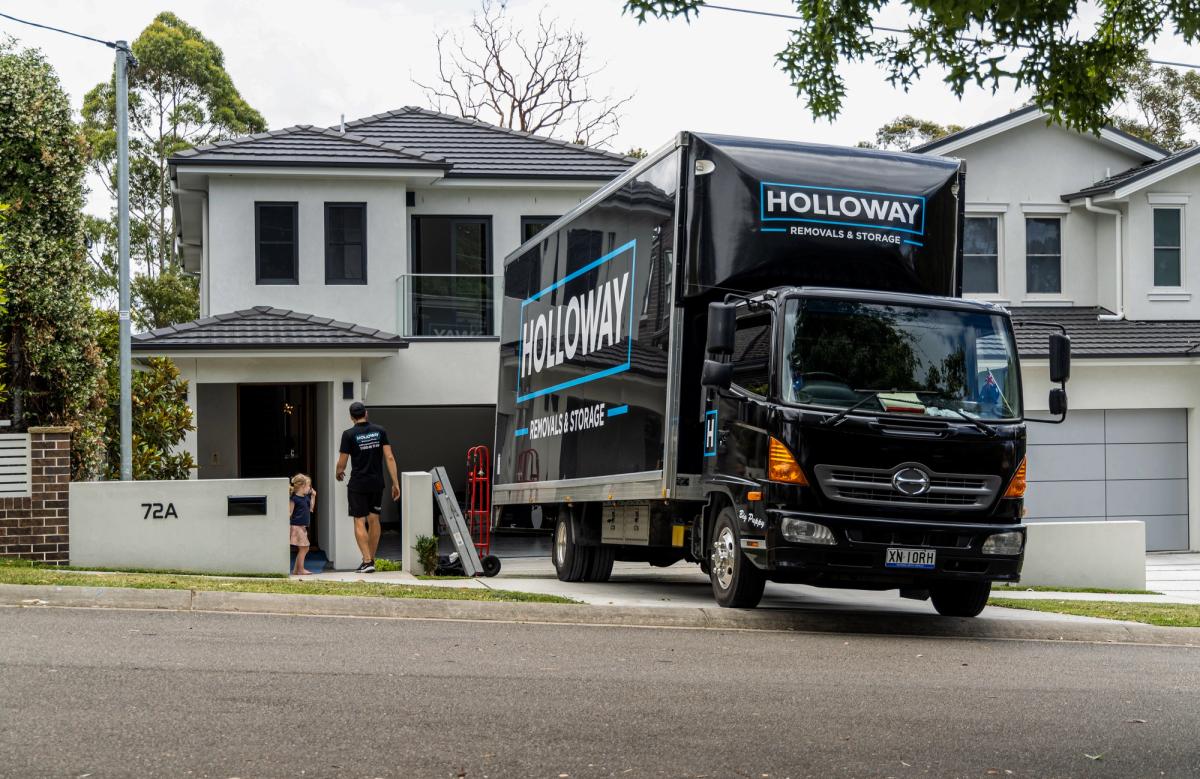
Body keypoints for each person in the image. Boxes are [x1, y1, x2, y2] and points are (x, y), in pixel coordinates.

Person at [336, 402, 400, 573]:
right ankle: (370, 560)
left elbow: (342, 461)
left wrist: (338, 472)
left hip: (358, 483)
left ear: (351, 417)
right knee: (374, 519)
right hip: (376, 483)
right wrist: (395, 483)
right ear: (366, 413)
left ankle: (366, 560)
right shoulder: (380, 431)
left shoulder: (348, 434)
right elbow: (390, 457)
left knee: (359, 520)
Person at [289, 473, 316, 576]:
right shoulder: (294, 498)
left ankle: (296, 570)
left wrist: (313, 496)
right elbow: (290, 512)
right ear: (302, 486)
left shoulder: (306, 498)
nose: (310, 488)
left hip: (302, 527)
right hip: (296, 526)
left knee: (303, 548)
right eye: (308, 486)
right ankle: (300, 569)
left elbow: (311, 508)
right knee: (304, 548)